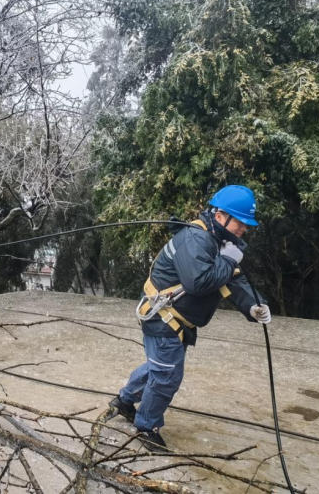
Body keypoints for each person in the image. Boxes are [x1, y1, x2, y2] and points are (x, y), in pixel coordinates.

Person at [109, 185, 271, 450]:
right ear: (220, 216)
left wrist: (254, 305)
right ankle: (145, 425)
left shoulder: (219, 242)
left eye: (246, 224)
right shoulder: (197, 239)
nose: (244, 229)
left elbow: (231, 279)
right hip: (163, 317)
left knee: (159, 367)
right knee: (166, 377)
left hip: (176, 320)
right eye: (241, 223)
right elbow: (199, 282)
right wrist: (229, 261)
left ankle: (125, 401)